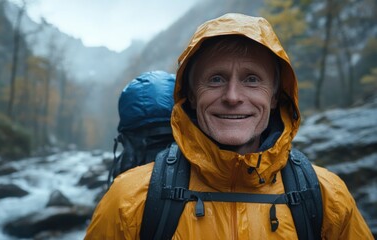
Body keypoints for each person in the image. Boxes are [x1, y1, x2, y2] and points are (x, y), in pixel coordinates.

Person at [84, 13, 373, 239]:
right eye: (216, 79)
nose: (233, 97)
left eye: (251, 79)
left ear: (275, 97)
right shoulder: (128, 199)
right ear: (192, 96)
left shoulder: (327, 197)